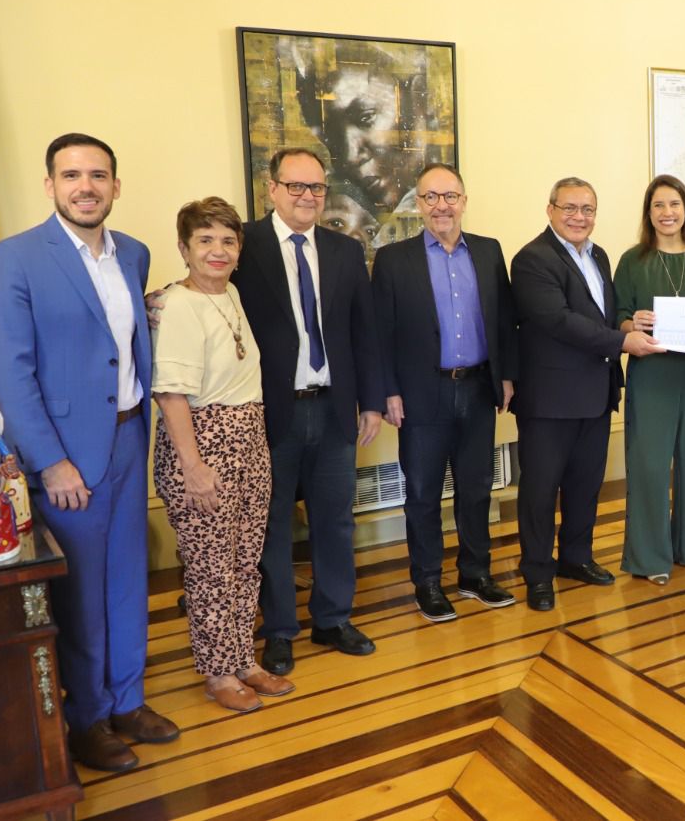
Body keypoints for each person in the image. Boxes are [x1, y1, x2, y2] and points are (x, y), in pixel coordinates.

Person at [0, 133, 178, 771]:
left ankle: (127, 701)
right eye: (71, 175)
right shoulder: (13, 259)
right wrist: (50, 461)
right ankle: (86, 716)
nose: (85, 186)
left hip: (127, 434)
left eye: (97, 174)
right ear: (50, 186)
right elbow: (10, 371)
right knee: (83, 594)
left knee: (127, 581)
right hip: (65, 454)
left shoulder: (135, 255)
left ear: (116, 185)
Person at [235, 148, 384, 674]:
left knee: (335, 521)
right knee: (273, 526)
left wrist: (370, 402)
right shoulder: (244, 246)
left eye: (316, 188)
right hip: (272, 412)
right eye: (295, 186)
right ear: (271, 189)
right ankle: (278, 630)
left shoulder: (345, 250)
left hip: (335, 407)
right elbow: (207, 297)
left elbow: (364, 333)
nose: (307, 197)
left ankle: (332, 618)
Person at [152, 197, 289, 712]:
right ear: (184, 247)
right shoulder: (178, 304)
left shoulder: (229, 292)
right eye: (205, 240)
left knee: (244, 559)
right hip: (204, 444)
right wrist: (194, 468)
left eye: (228, 241)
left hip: (248, 436)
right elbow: (171, 395)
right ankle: (216, 671)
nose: (218, 250)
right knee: (211, 566)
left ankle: (242, 659)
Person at [373, 162, 518, 623]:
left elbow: (504, 323)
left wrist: (506, 376)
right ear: (418, 205)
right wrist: (389, 391)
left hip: (477, 389)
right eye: (431, 197)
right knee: (423, 493)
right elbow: (383, 335)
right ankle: (428, 582)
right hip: (421, 394)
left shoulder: (490, 252)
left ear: (464, 201)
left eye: (450, 196)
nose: (442, 206)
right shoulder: (395, 259)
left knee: (476, 489)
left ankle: (475, 574)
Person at [510, 177, 663, 610]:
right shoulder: (532, 259)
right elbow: (557, 321)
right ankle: (538, 573)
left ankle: (576, 558)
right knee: (540, 492)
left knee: (585, 484)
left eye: (588, 209)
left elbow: (605, 315)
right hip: (550, 399)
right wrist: (622, 342)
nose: (580, 217)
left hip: (595, 393)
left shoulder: (598, 254)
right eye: (570, 208)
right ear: (550, 209)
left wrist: (631, 324)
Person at [615, 175, 685, 585]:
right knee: (648, 466)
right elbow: (617, 315)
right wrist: (633, 321)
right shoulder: (632, 260)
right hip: (652, 374)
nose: (667, 213)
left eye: (674, 204)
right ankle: (649, 559)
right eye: (659, 205)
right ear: (649, 212)